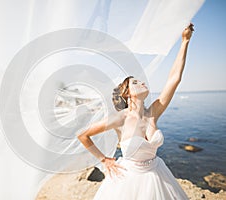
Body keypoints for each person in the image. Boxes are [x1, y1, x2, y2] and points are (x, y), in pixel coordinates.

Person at [77, 24, 194, 200]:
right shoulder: (120, 119)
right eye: (135, 82)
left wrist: (185, 41)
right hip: (128, 180)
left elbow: (174, 79)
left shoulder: (153, 111)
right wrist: (104, 159)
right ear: (126, 93)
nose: (142, 83)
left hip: (157, 173)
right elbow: (83, 135)